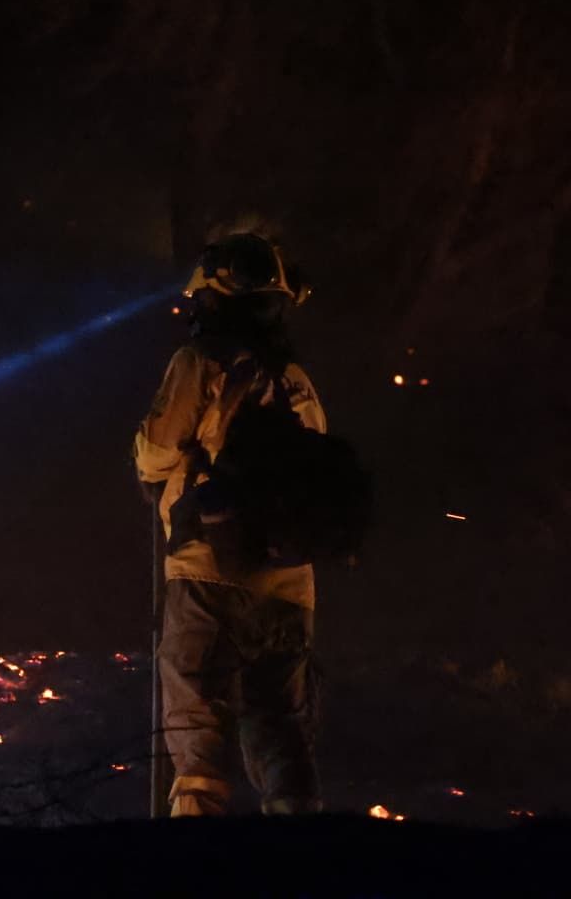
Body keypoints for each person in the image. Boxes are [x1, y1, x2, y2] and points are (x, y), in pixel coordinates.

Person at [134, 221, 325, 816]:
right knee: (280, 727)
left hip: (205, 569)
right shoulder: (297, 383)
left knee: (196, 724)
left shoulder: (202, 361)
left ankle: (197, 857)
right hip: (290, 581)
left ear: (216, 296)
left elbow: (158, 451)